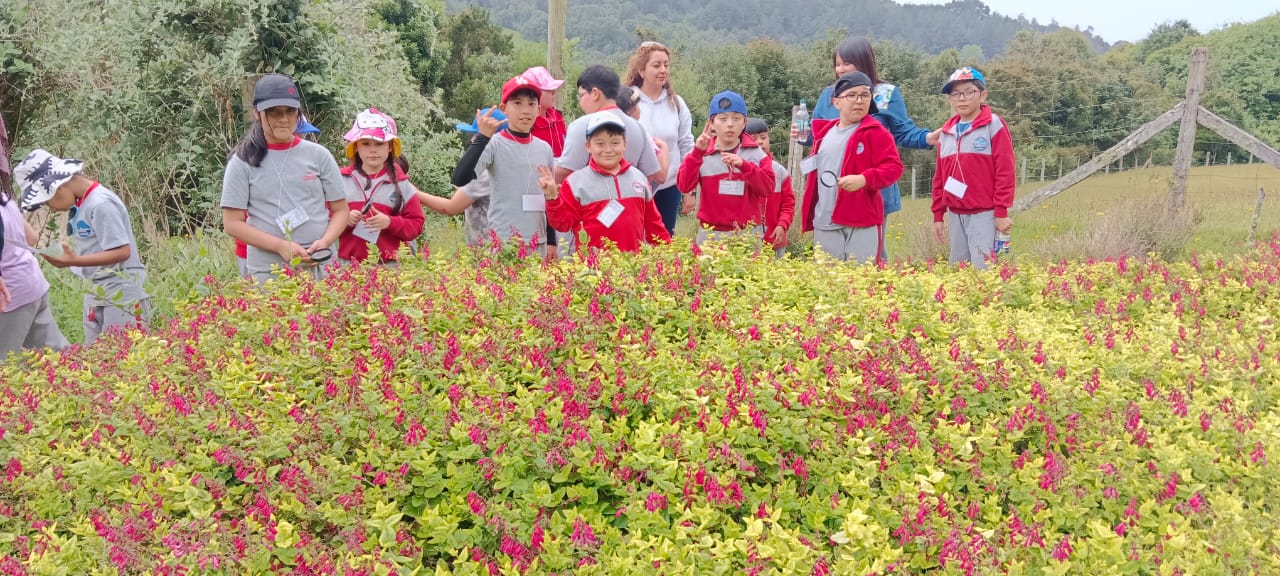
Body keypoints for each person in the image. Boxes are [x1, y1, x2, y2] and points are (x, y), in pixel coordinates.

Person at [799, 37, 940, 260]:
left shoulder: (886, 93)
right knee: (830, 259)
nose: (840, 69)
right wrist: (803, 136)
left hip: (871, 191)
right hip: (831, 192)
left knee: (869, 256)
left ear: (863, 61)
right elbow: (818, 135)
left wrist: (928, 137)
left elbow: (903, 132)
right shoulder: (829, 94)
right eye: (837, 64)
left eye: (846, 63)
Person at [222, 73, 348, 283]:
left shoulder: (319, 155)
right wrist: (280, 246)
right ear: (257, 113)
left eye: (290, 111)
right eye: (274, 112)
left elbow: (341, 210)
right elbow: (232, 224)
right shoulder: (243, 161)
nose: (283, 119)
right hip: (269, 272)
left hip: (321, 265)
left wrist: (325, 241)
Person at [15, 149, 150, 344]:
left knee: (125, 355)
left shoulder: (101, 204)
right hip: (96, 293)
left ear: (58, 187)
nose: (51, 208)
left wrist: (74, 260)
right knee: (97, 357)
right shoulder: (82, 204)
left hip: (122, 295)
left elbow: (122, 251)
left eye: (47, 201)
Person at [800, 72, 904, 264]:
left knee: (860, 277)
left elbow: (894, 168)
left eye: (865, 95)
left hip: (861, 221)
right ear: (836, 102)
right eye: (852, 95)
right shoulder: (823, 133)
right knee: (827, 277)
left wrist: (864, 179)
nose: (859, 100)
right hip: (824, 220)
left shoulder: (876, 133)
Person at [451, 75, 555, 252]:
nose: (525, 111)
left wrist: (552, 241)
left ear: (538, 109)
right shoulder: (494, 144)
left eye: (531, 104)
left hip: (538, 242)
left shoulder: (544, 149)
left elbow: (548, 197)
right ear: (503, 108)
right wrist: (482, 138)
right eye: (517, 103)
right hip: (504, 242)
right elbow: (460, 178)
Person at [543, 113, 670, 253]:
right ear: (588, 146)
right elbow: (562, 224)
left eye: (615, 143)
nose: (608, 150)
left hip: (633, 264)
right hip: (593, 265)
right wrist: (552, 198)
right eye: (600, 144)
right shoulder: (575, 183)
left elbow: (654, 224)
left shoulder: (639, 178)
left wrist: (669, 254)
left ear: (624, 144)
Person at [932, 67, 1015, 270]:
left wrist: (1001, 211)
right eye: (955, 94)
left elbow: (1005, 170)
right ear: (950, 99)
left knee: (983, 267)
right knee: (959, 268)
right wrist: (938, 215)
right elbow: (940, 177)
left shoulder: (993, 125)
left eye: (968, 92)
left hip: (984, 212)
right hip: (955, 213)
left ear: (982, 95)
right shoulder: (947, 132)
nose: (961, 98)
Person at [1, 122, 69, 354]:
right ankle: (93, 375)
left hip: (10, 295)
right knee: (57, 355)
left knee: (6, 363)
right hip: (33, 284)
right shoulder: (4, 198)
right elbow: (31, 238)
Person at [676, 91, 774, 245]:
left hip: (748, 234)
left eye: (736, 118)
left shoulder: (756, 153)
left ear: (745, 122)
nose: (730, 124)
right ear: (711, 123)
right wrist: (697, 153)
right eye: (723, 118)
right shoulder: (702, 152)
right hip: (710, 234)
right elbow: (684, 185)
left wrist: (745, 166)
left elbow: (767, 188)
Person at [235, 116, 326, 277]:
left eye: (302, 135)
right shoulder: (250, 161)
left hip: (301, 251)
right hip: (257, 253)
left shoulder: (309, 161)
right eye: (299, 134)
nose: (300, 139)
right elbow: (237, 219)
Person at [337, 108, 425, 265]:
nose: (373, 150)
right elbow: (323, 218)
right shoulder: (340, 180)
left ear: (390, 146)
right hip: (348, 267)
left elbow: (416, 225)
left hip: (391, 268)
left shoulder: (402, 185)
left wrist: (390, 222)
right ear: (356, 146)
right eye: (365, 144)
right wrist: (343, 219)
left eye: (380, 143)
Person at [625, 41, 694, 236]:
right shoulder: (628, 100)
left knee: (663, 240)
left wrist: (689, 189)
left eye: (666, 65)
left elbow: (686, 144)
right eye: (656, 65)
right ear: (641, 70)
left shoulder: (676, 103)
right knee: (634, 239)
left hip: (670, 187)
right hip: (634, 186)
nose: (663, 70)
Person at [555, 65, 664, 187]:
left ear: (595, 93)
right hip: (629, 196)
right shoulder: (637, 127)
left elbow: (565, 172)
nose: (580, 102)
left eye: (581, 95)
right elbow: (650, 174)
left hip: (591, 197)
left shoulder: (581, 126)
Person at [419, 109, 503, 247]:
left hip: (487, 252)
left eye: (478, 135)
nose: (473, 140)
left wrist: (413, 192)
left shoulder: (483, 174)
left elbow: (449, 207)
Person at [523, 66, 570, 259]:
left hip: (561, 191)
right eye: (549, 90)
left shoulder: (557, 118)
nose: (554, 93)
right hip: (535, 191)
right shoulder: (526, 127)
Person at [744, 118, 794, 258]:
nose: (760, 142)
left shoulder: (780, 171)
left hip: (775, 240)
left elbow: (788, 204)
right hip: (745, 242)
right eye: (754, 139)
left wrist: (782, 225)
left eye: (763, 137)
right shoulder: (739, 169)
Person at [615, 86, 670, 187]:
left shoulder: (609, 132)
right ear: (631, 109)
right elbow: (660, 176)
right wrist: (664, 148)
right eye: (637, 105)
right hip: (636, 189)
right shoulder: (641, 133)